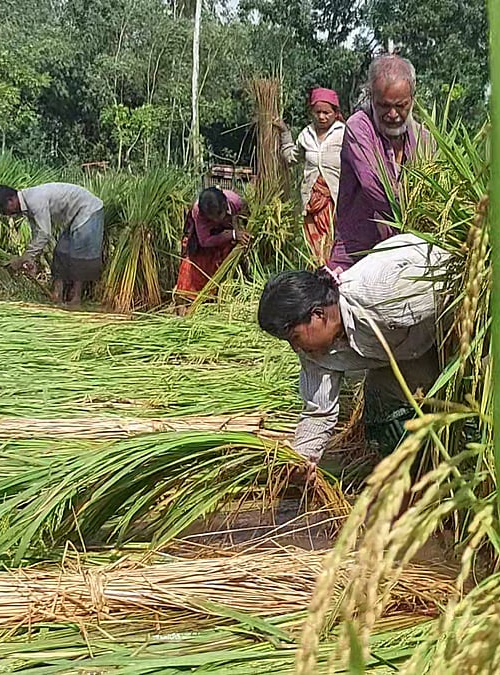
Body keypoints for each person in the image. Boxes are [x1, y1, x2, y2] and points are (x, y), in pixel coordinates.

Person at [257, 233, 451, 465]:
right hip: (412, 347)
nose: (296, 348)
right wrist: (299, 461)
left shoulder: (383, 295)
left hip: (453, 326)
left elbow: (454, 287)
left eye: (295, 337)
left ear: (318, 315)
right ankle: (417, 469)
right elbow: (319, 413)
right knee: (381, 407)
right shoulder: (315, 353)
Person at [330, 54, 435, 272]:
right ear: (371, 97)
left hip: (405, 254)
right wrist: (417, 216)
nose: (393, 114)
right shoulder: (359, 128)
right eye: (384, 106)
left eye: (401, 105)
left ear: (412, 98)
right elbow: (377, 188)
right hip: (357, 253)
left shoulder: (424, 139)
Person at [0, 182, 104, 308]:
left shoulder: (34, 200)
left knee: (79, 254)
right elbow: (37, 234)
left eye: (3, 210)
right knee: (61, 252)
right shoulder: (27, 206)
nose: (6, 214)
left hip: (88, 209)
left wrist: (23, 258)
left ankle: (76, 299)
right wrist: (30, 260)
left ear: (11, 200)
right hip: (75, 216)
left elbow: (44, 233)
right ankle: (57, 294)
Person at [279, 87, 346, 265]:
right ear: (311, 112)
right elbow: (291, 158)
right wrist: (285, 134)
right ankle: (316, 275)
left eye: (327, 113)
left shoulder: (344, 134)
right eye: (318, 112)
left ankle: (334, 274)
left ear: (335, 113)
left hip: (335, 203)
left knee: (334, 245)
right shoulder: (305, 135)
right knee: (314, 250)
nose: (322, 117)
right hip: (311, 204)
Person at [175, 186, 252, 308]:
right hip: (205, 243)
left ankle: (222, 298)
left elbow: (245, 218)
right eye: (212, 218)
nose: (217, 219)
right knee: (197, 269)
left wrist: (240, 232)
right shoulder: (198, 212)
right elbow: (204, 240)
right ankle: (195, 302)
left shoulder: (235, 201)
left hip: (227, 237)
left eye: (219, 215)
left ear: (225, 205)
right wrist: (231, 234)